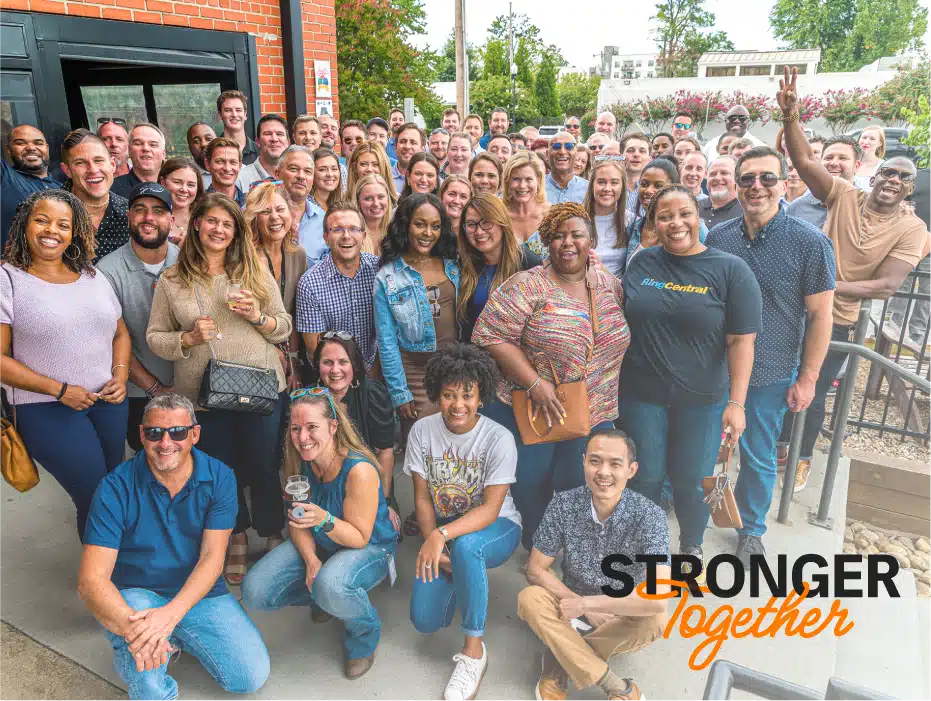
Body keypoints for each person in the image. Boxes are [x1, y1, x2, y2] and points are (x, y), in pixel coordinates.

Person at [777, 67, 928, 490]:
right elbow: (805, 162)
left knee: (813, 389)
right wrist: (790, 115)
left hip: (836, 319)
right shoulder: (845, 195)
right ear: (872, 176)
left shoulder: (911, 228)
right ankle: (779, 445)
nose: (893, 180)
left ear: (910, 187)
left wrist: (823, 287)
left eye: (903, 177)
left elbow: (886, 285)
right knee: (778, 381)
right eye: (888, 173)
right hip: (792, 311)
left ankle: (802, 456)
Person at [79, 393, 270, 701]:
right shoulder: (114, 487)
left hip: (198, 593)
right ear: (142, 435)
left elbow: (212, 558)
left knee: (248, 677)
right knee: (148, 683)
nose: (165, 443)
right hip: (136, 596)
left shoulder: (220, 477)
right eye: (155, 432)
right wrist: (138, 631)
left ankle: (173, 636)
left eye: (178, 432)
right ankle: (152, 651)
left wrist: (167, 617)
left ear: (194, 434)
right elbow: (91, 581)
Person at [146, 192, 293, 583]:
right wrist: (188, 338)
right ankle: (237, 536)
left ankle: (273, 533)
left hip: (260, 387)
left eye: (227, 224)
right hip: (204, 395)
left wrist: (257, 316)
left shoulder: (254, 270)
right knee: (221, 472)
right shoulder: (172, 280)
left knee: (264, 465)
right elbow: (155, 337)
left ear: (236, 232)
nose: (219, 230)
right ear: (197, 224)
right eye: (212, 221)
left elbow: (283, 326)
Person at [618, 185, 761, 579]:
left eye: (684, 213)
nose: (676, 223)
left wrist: (737, 403)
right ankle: (647, 547)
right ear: (653, 224)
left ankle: (690, 545)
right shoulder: (642, 262)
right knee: (645, 476)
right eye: (664, 216)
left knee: (693, 480)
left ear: (698, 217)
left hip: (702, 399)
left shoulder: (730, 270)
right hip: (641, 394)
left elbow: (741, 342)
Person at [706, 146, 836, 567]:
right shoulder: (719, 238)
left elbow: (821, 316)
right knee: (704, 444)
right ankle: (693, 506)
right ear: (736, 185)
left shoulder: (810, 243)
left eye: (766, 178)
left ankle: (751, 530)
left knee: (758, 454)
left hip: (771, 369)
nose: (756, 186)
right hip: (714, 368)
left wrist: (808, 377)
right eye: (747, 179)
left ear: (783, 184)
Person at [473, 203, 630, 550]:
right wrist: (534, 383)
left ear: (591, 241)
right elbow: (489, 334)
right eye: (558, 236)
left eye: (577, 235)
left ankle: (575, 548)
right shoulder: (527, 285)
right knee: (532, 482)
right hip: (538, 406)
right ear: (546, 243)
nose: (568, 243)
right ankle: (538, 545)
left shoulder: (608, 285)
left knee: (582, 482)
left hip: (595, 408)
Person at [241, 387, 398, 680]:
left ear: (333, 426)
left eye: (312, 427)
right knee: (255, 590)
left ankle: (363, 633)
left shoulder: (359, 470)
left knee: (331, 585)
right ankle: (326, 597)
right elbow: (297, 522)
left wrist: (324, 519)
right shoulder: (300, 461)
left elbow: (359, 538)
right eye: (296, 428)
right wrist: (311, 560)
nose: (302, 437)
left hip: (370, 548)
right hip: (322, 540)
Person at [0, 189, 130, 538]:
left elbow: (120, 333)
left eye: (63, 224)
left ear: (74, 233)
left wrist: (120, 375)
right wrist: (60, 390)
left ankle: (109, 565)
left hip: (106, 402)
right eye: (41, 220)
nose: (51, 231)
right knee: (96, 495)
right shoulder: (7, 279)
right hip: (45, 407)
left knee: (110, 492)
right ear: (24, 225)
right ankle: (113, 568)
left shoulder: (92, 276)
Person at [408, 343, 522, 701]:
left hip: (496, 527)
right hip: (447, 533)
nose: (458, 405)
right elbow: (422, 499)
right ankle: (464, 573)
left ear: (481, 396)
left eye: (467, 395)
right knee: (425, 620)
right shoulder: (421, 432)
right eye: (449, 395)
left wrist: (441, 536)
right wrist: (433, 540)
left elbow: (490, 509)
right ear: (436, 395)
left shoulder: (499, 438)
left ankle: (474, 652)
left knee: (469, 548)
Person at [519, 428, 669, 701]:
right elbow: (535, 569)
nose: (603, 472)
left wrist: (592, 605)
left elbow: (658, 597)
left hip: (619, 611)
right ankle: (616, 686)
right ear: (584, 462)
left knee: (655, 619)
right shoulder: (563, 504)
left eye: (615, 464)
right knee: (529, 598)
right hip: (568, 605)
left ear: (631, 470)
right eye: (595, 461)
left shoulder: (650, 516)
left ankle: (558, 658)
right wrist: (578, 603)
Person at [97, 182, 179, 452]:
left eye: (158, 211)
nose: (149, 218)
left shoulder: (188, 262)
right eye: (140, 209)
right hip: (136, 393)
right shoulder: (106, 272)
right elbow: (111, 340)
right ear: (128, 216)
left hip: (189, 391)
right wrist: (154, 388)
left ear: (172, 220)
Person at [374, 192, 459, 429]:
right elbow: (387, 342)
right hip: (414, 374)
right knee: (422, 442)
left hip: (454, 368)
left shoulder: (453, 265)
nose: (428, 233)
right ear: (405, 225)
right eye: (420, 224)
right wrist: (400, 392)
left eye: (435, 226)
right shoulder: (388, 277)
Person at [312, 333, 397, 518]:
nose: (335, 370)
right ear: (318, 366)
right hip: (324, 485)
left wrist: (383, 503)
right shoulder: (310, 399)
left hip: (368, 483)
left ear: (354, 364)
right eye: (328, 362)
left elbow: (385, 451)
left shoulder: (372, 393)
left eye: (343, 362)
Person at [297, 201, 380, 370]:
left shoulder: (380, 271)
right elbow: (315, 351)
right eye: (337, 230)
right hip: (334, 374)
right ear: (326, 238)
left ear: (363, 236)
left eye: (354, 229)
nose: (346, 236)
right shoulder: (310, 284)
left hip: (378, 369)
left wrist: (375, 373)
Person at [245, 182, 308, 392]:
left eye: (280, 209)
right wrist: (272, 352)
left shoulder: (298, 254)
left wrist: (293, 362)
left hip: (287, 357)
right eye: (265, 211)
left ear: (291, 214)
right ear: (255, 218)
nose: (275, 217)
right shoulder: (245, 259)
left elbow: (296, 313)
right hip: (252, 360)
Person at [459, 193, 543, 343]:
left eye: (486, 222)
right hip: (473, 353)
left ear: (502, 223)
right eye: (471, 224)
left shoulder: (529, 263)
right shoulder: (464, 265)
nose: (479, 231)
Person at [60, 129, 131, 262]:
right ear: (67, 170)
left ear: (112, 164)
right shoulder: (44, 210)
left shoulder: (130, 213)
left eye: (98, 160)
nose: (93, 170)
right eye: (80, 163)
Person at [0, 125, 61, 249]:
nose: (31, 148)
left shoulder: (66, 188)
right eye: (20, 143)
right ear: (9, 149)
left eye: (38, 143)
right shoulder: (5, 176)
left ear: (47, 148)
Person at [786, 136, 860, 230]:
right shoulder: (798, 208)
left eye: (843, 158)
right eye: (829, 158)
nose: (833, 163)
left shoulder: (867, 206)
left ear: (857, 166)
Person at [625, 157, 684, 267]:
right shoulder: (632, 229)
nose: (648, 190)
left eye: (658, 186)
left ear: (673, 189)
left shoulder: (689, 227)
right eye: (644, 184)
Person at [276, 145, 326, 267]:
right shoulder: (256, 214)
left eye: (308, 171)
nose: (301, 176)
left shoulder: (325, 221)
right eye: (294, 169)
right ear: (277, 173)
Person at [583, 158, 630, 278]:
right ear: (592, 185)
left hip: (616, 286)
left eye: (614, 183)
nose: (607, 188)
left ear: (622, 187)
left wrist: (602, 270)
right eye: (601, 182)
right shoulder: (576, 218)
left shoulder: (630, 221)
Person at [504, 152, 550, 247]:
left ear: (538, 180)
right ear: (507, 181)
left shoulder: (550, 215)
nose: (522, 185)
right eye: (516, 179)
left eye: (529, 179)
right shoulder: (499, 214)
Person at [110, 124, 167, 200]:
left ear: (163, 154)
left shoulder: (174, 188)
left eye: (153, 145)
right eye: (138, 144)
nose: (146, 148)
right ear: (129, 151)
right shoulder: (111, 190)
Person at [236, 114, 290, 192]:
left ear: (288, 142)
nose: (274, 139)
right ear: (258, 142)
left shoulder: (295, 178)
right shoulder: (240, 179)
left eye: (279, 134)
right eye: (267, 134)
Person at [158, 157, 203, 245]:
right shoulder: (151, 218)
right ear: (162, 182)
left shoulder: (204, 219)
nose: (184, 189)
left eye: (191, 185)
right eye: (177, 182)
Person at [354, 173, 397, 255]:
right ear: (358, 202)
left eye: (381, 197)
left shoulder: (396, 230)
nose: (376, 204)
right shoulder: (351, 233)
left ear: (388, 198)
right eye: (368, 198)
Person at [699, 155, 743, 230]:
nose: (717, 178)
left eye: (724, 173)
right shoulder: (694, 208)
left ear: (737, 178)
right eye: (712, 174)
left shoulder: (746, 213)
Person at [217, 89, 258, 165]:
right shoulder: (212, 151)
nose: (234, 115)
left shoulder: (260, 152)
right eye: (228, 110)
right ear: (220, 115)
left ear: (245, 114)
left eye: (238, 110)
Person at [546, 133, 588, 204]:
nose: (562, 152)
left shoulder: (589, 189)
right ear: (547, 154)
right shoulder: (536, 187)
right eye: (556, 146)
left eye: (569, 146)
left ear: (576, 154)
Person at [204, 137, 245, 208]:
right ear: (207, 164)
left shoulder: (251, 205)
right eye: (220, 161)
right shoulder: (198, 204)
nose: (227, 168)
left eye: (233, 162)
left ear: (240, 165)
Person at [393, 123, 427, 194]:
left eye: (413, 142)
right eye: (402, 142)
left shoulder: (432, 181)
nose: (407, 146)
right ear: (395, 147)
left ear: (423, 148)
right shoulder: (383, 178)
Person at [622, 133, 651, 215]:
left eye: (642, 151)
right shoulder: (610, 186)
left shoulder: (655, 190)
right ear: (621, 156)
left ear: (650, 159)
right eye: (630, 150)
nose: (636, 154)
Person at [310, 146, 343, 212]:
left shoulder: (342, 204)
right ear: (311, 173)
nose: (330, 174)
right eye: (322, 169)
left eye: (334, 169)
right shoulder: (307, 206)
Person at [855, 125, 885, 190]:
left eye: (872, 139)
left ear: (880, 143)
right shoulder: (849, 161)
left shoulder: (883, 167)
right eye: (864, 137)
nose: (866, 142)